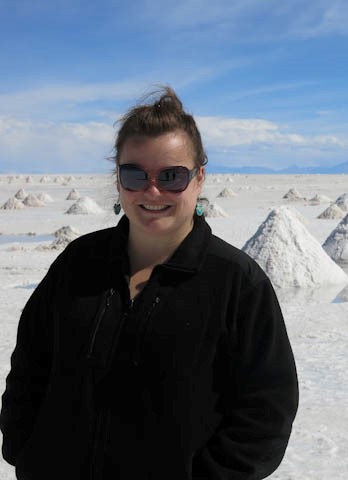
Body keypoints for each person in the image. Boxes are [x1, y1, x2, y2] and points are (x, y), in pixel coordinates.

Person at [0, 86, 299, 479]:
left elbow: (266, 410)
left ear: (199, 178)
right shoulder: (79, 262)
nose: (152, 191)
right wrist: (26, 447)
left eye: (171, 176)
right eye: (134, 174)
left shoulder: (236, 282)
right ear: (118, 177)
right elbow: (31, 363)